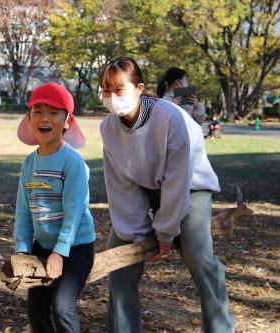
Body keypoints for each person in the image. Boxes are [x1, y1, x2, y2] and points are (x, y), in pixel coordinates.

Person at [99, 57, 236, 333]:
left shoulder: (170, 117)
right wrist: (137, 234)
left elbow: (178, 178)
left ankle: (220, 327)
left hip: (192, 185)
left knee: (198, 256)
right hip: (144, 187)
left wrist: (165, 232)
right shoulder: (108, 128)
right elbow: (120, 185)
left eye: (119, 90)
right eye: (106, 91)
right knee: (119, 257)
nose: (113, 98)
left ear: (139, 89)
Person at [14, 82, 96, 333]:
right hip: (43, 246)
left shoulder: (73, 163)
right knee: (36, 314)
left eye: (53, 112)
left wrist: (60, 253)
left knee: (62, 307)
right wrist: (22, 250)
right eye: (37, 111)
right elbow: (24, 212)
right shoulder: (29, 163)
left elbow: (74, 214)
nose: (44, 118)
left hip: (76, 247)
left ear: (67, 121)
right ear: (29, 119)